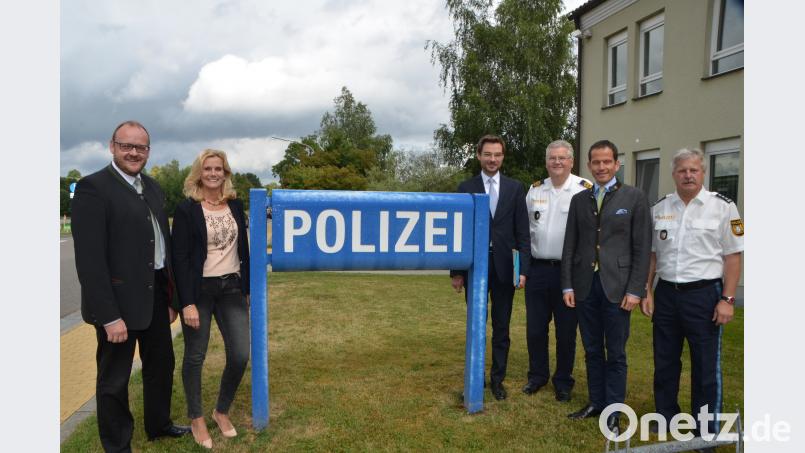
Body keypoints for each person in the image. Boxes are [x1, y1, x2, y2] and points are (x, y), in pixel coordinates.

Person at [72, 121, 190, 452]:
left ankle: (159, 424)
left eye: (141, 147)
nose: (134, 153)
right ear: (112, 147)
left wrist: (171, 298)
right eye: (127, 146)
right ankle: (118, 444)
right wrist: (108, 316)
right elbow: (91, 261)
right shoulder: (92, 188)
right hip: (117, 303)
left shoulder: (152, 187)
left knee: (161, 366)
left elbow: (161, 246)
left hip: (154, 296)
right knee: (114, 380)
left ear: (148, 152)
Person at [640, 148, 743, 439]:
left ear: (702, 173)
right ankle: (665, 417)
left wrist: (728, 299)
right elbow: (651, 256)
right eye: (682, 170)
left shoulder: (723, 207)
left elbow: (733, 257)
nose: (688, 175)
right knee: (665, 361)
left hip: (704, 296)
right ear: (673, 174)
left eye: (693, 170)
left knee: (706, 365)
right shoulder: (659, 208)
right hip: (667, 295)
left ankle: (706, 429)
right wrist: (647, 290)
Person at [560, 139, 651, 433]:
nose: (601, 167)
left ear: (616, 164)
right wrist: (567, 286)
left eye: (606, 162)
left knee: (616, 352)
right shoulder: (579, 199)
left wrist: (636, 289)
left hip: (618, 288)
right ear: (589, 165)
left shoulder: (634, 198)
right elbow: (569, 246)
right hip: (585, 286)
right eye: (596, 162)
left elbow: (642, 247)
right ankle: (595, 402)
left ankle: (613, 410)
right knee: (591, 349)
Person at [171, 149, 251, 449]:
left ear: (226, 173)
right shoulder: (187, 209)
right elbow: (179, 258)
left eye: (219, 168)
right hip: (199, 292)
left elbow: (243, 250)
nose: (214, 173)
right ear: (199, 173)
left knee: (241, 353)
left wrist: (247, 290)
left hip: (231, 289)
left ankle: (220, 411)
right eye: (208, 169)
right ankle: (196, 418)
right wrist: (186, 302)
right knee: (195, 356)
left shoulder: (235, 205)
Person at [450, 134, 531, 401]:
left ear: (503, 157)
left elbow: (523, 232)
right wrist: (457, 272)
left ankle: (498, 380)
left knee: (501, 327)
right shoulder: (465, 187)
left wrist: (523, 270)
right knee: (476, 325)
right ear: (478, 156)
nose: (492, 159)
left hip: (506, 268)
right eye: (488, 154)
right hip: (475, 269)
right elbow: (457, 232)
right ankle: (475, 378)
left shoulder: (515, 188)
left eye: (497, 155)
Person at [523, 140, 591, 402]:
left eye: (562, 158)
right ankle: (537, 376)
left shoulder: (583, 189)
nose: (557, 162)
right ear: (546, 161)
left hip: (569, 273)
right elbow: (525, 232)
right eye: (552, 158)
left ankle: (563, 381)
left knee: (566, 331)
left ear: (571, 161)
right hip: (539, 270)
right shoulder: (535, 190)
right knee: (536, 329)